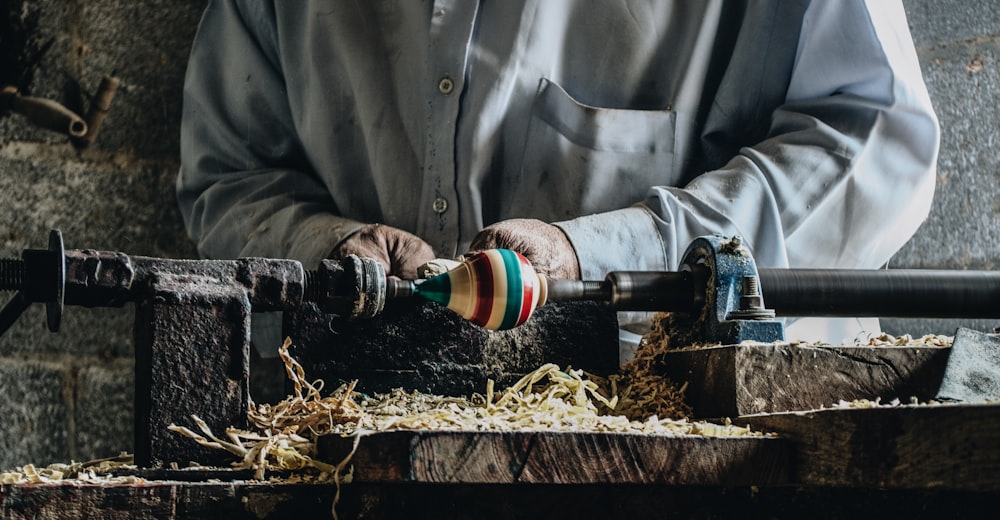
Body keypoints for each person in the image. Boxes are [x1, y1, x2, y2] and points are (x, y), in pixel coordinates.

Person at [177, 1, 939, 359]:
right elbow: (228, 174)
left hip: (683, 453)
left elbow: (875, 145)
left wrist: (604, 256)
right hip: (367, 455)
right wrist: (331, 246)